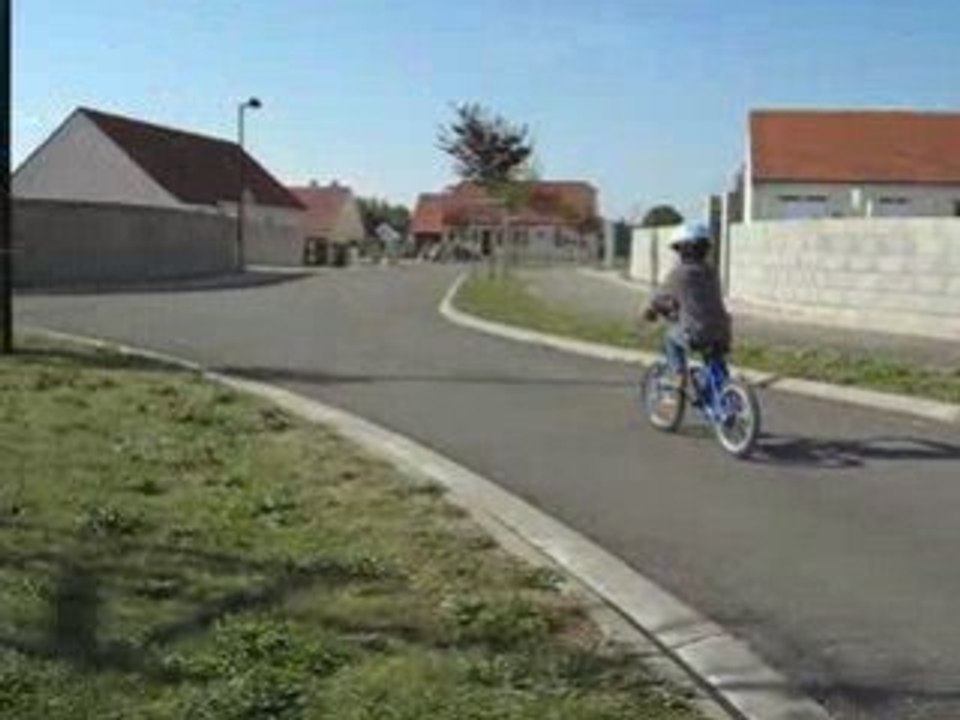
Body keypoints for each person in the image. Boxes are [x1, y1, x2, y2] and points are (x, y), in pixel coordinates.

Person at [643, 223, 731, 383]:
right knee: (715, 360)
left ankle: (679, 374)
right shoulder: (711, 272)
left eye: (678, 249)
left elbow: (658, 299)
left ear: (683, 251)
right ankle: (725, 388)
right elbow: (696, 299)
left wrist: (649, 311)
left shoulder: (679, 273)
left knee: (670, 338)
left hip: (696, 332)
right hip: (722, 331)